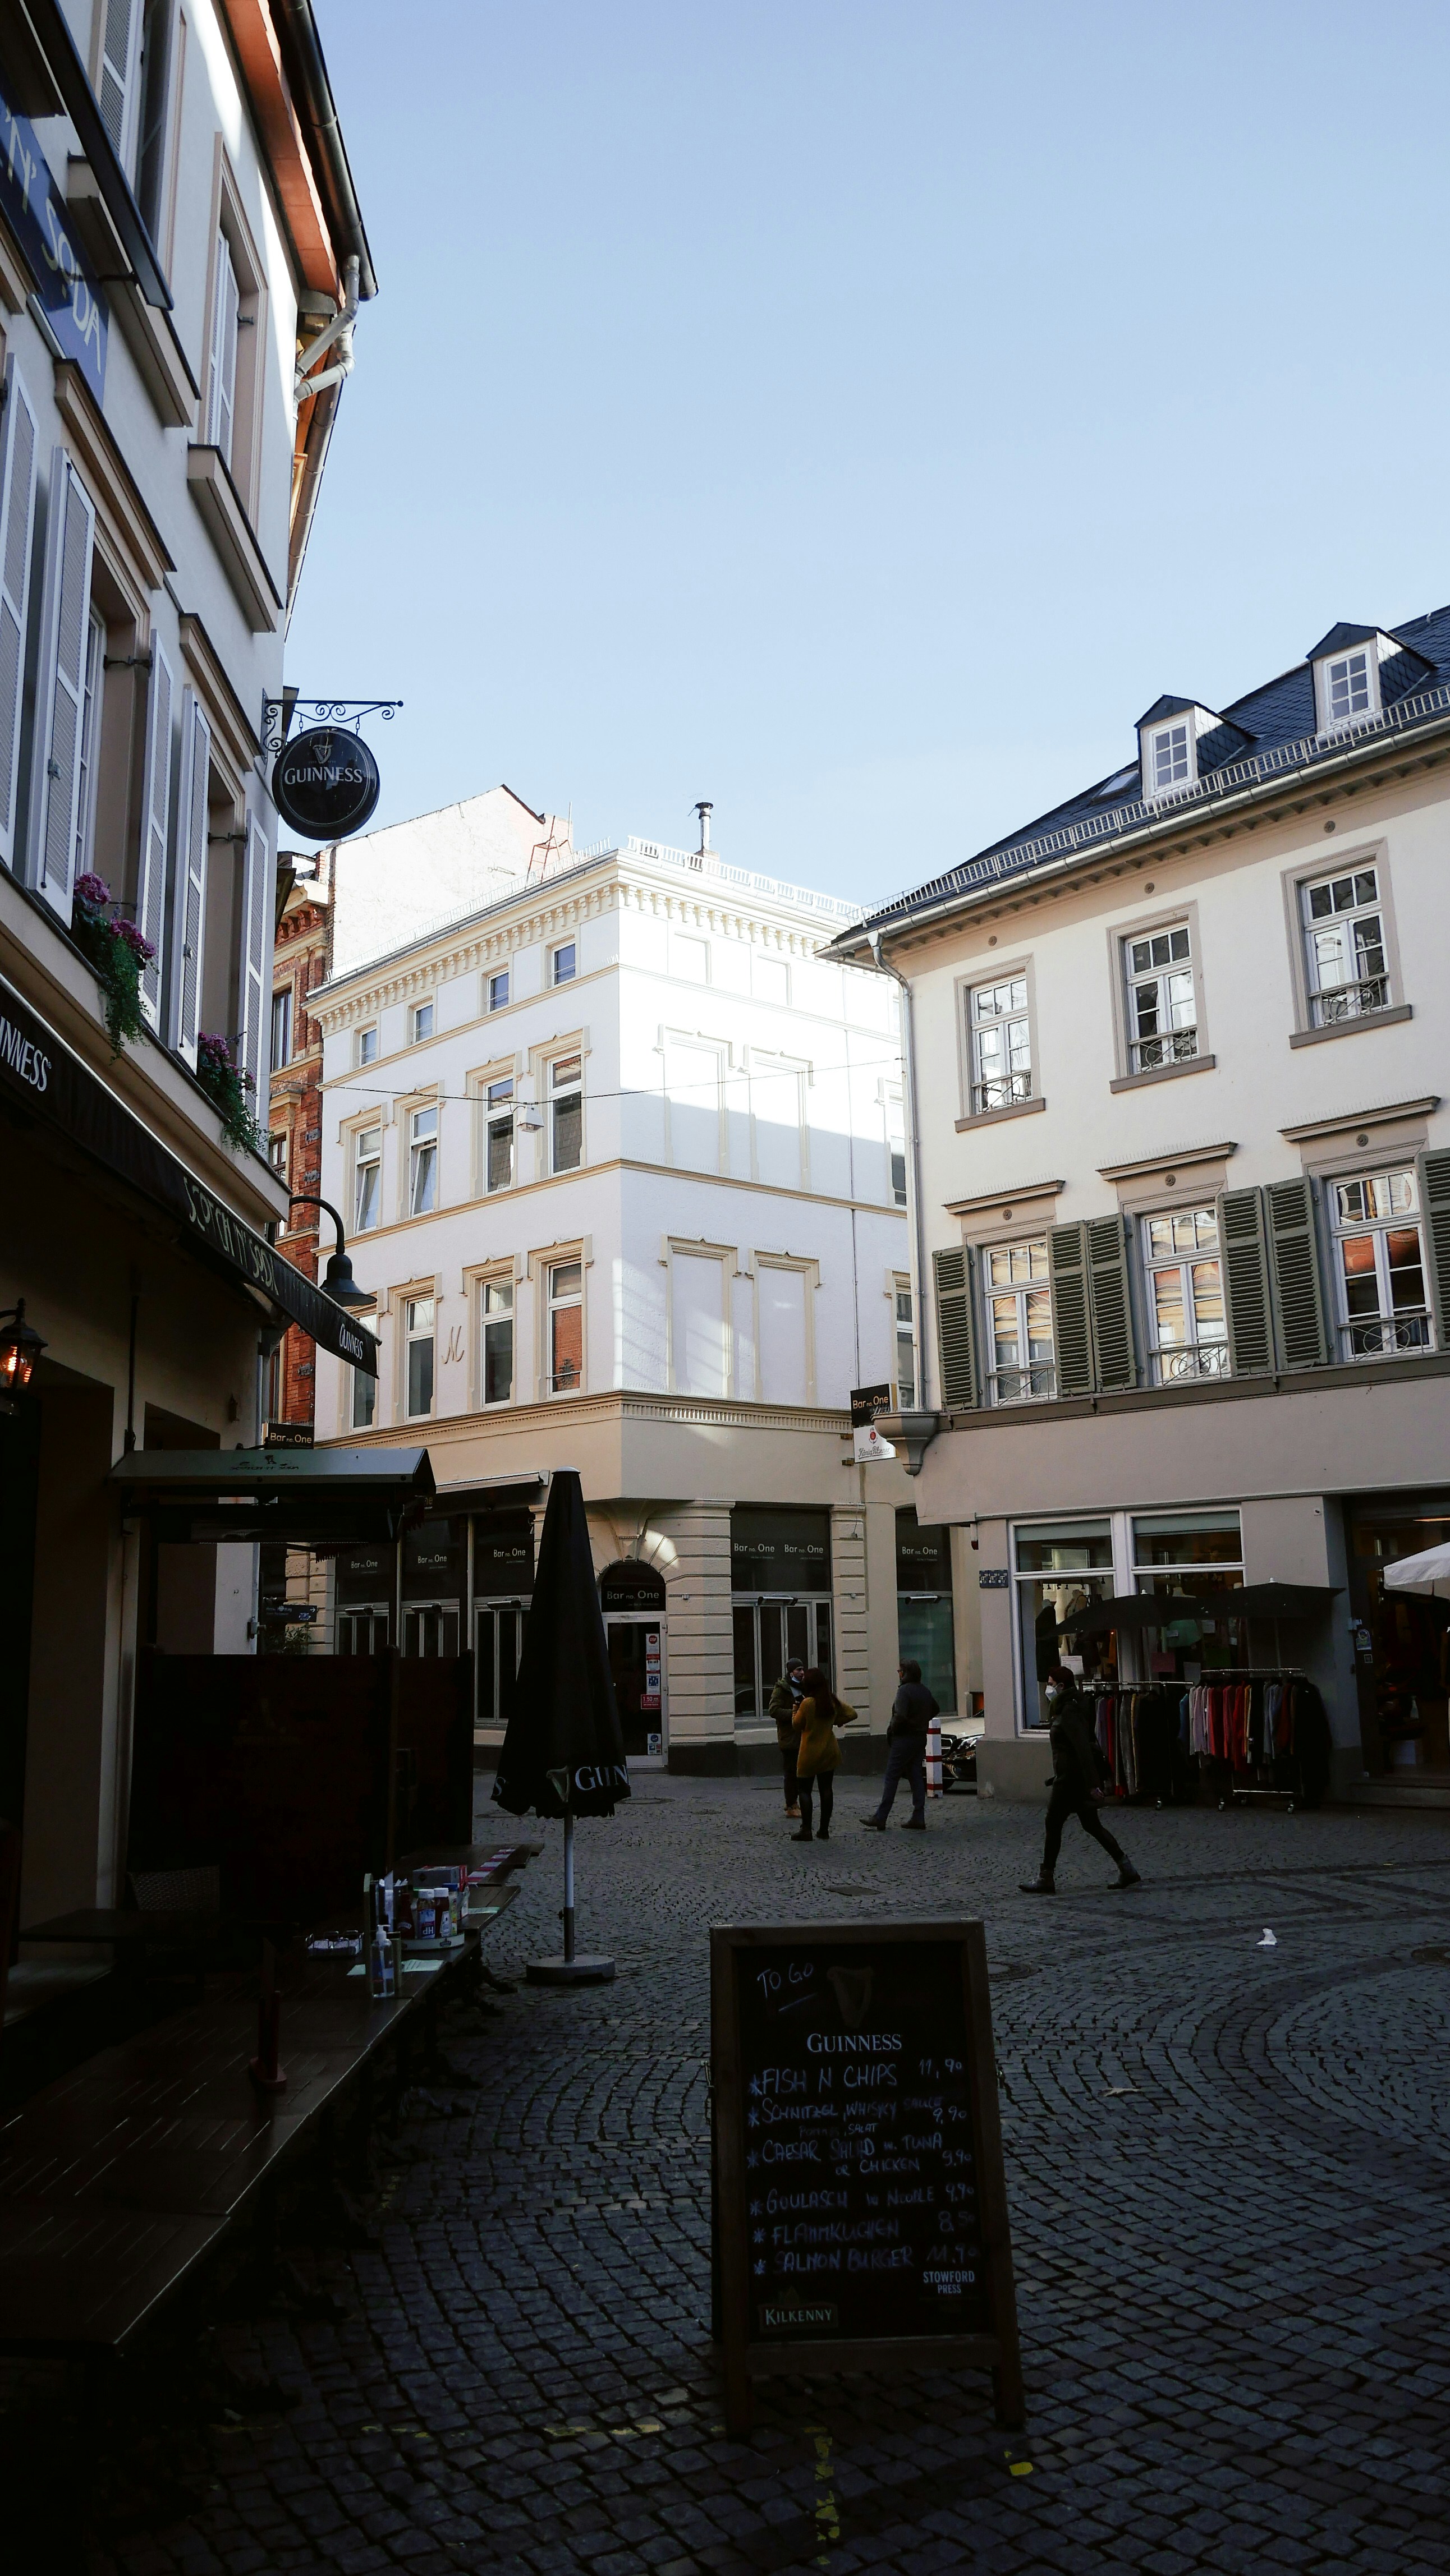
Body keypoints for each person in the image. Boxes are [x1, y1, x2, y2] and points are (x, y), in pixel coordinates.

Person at [1020, 1664, 1141, 1894]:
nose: (1048, 1688)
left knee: (1053, 1823)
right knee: (1091, 1825)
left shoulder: (1069, 1711)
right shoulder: (1069, 1707)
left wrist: (1094, 1784)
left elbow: (1082, 1749)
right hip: (1072, 1777)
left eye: (1051, 1684)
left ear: (1061, 1686)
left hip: (1070, 1780)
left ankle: (1046, 1877)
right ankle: (1127, 1868)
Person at [860, 1660, 937, 1832]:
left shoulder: (904, 1691)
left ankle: (881, 1817)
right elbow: (935, 1709)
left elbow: (900, 1716)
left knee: (892, 1776)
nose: (899, 1674)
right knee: (915, 1775)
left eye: (900, 1672)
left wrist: (893, 1730)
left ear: (906, 1673)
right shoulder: (924, 1691)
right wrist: (922, 1720)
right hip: (919, 1738)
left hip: (904, 1739)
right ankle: (919, 1816)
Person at [791, 1667, 856, 1842]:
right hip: (829, 1751)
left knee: (804, 1790)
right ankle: (824, 1830)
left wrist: (794, 1710)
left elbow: (797, 1725)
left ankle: (806, 1830)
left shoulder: (808, 1703)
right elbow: (852, 1713)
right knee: (826, 1789)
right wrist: (836, 1721)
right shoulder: (831, 1701)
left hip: (809, 1754)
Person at [769, 1658, 807, 1819]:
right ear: (791, 1672)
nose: (802, 1672)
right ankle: (791, 1804)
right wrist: (793, 1715)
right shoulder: (782, 1689)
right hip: (789, 1737)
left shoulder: (803, 1687)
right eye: (799, 1670)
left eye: (803, 1669)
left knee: (800, 1771)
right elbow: (773, 1710)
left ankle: (794, 1801)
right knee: (791, 1772)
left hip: (802, 1736)